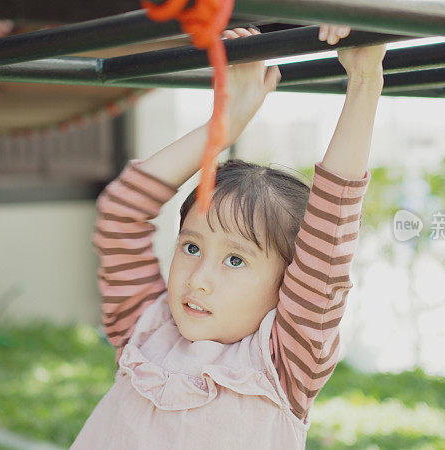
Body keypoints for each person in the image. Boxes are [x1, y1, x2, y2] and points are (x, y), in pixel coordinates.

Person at [71, 24, 386, 449]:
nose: (198, 277)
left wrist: (365, 82)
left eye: (235, 260)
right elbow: (121, 214)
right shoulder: (145, 327)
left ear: (289, 284)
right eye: (192, 247)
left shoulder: (284, 363)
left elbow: (329, 236)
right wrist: (226, 121)